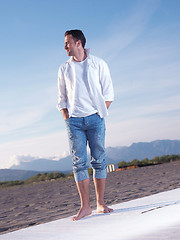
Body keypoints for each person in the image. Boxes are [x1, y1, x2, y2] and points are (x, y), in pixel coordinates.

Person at [57, 29, 114, 221]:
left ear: (78, 43)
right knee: (78, 164)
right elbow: (62, 97)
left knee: (99, 160)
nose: (65, 46)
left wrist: (99, 114)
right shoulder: (64, 68)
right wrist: (66, 116)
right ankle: (85, 207)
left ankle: (100, 203)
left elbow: (109, 93)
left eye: (67, 43)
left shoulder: (99, 64)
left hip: (95, 119)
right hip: (74, 122)